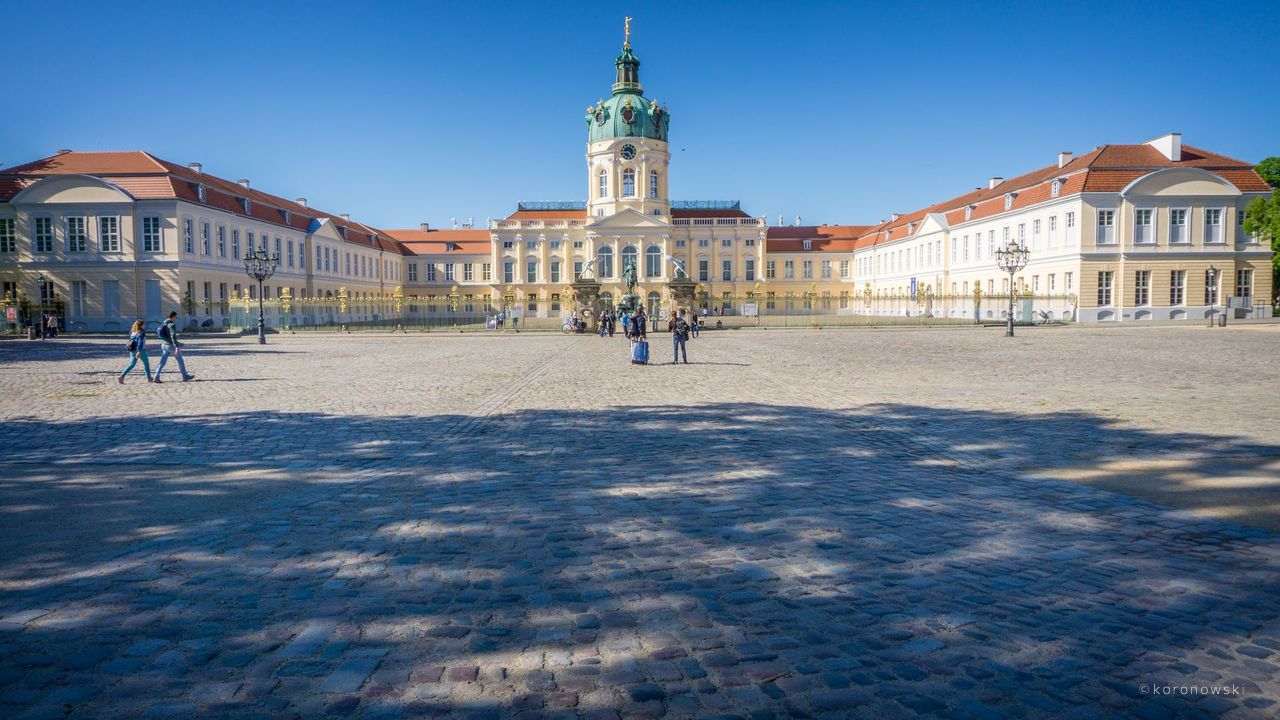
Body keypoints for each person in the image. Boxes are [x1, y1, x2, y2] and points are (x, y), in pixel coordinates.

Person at [153, 311, 194, 383]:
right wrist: (176, 347)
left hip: (164, 345)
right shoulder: (172, 325)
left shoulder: (163, 323)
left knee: (162, 362)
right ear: (173, 317)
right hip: (171, 346)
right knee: (180, 361)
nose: (176, 319)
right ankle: (185, 376)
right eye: (176, 317)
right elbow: (173, 337)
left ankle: (156, 376)